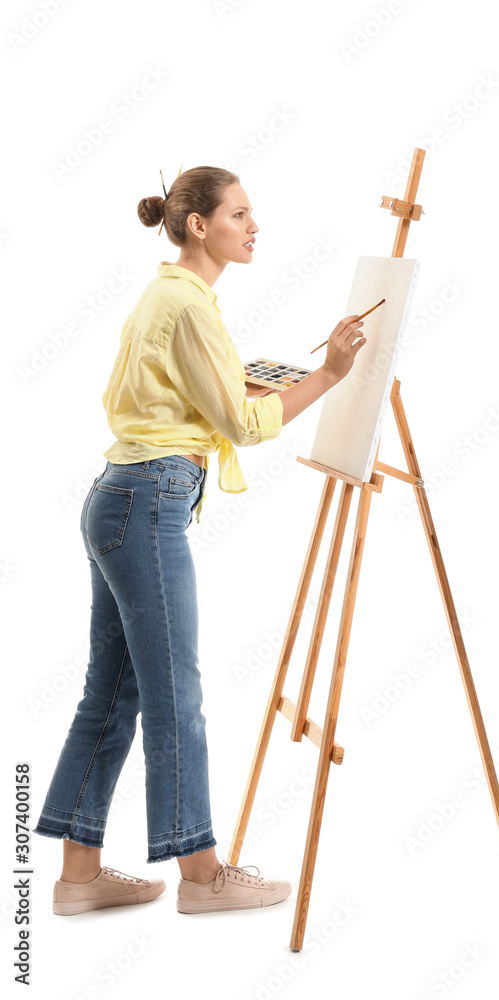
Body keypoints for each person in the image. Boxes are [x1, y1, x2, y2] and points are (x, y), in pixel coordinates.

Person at [32, 165, 367, 916]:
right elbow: (244, 426)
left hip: (121, 496)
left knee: (112, 693)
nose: (254, 227)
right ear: (198, 226)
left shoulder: (172, 294)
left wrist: (234, 387)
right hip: (145, 503)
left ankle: (79, 875)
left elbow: (174, 396)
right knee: (174, 695)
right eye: (241, 215)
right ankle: (202, 873)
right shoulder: (188, 304)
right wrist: (331, 374)